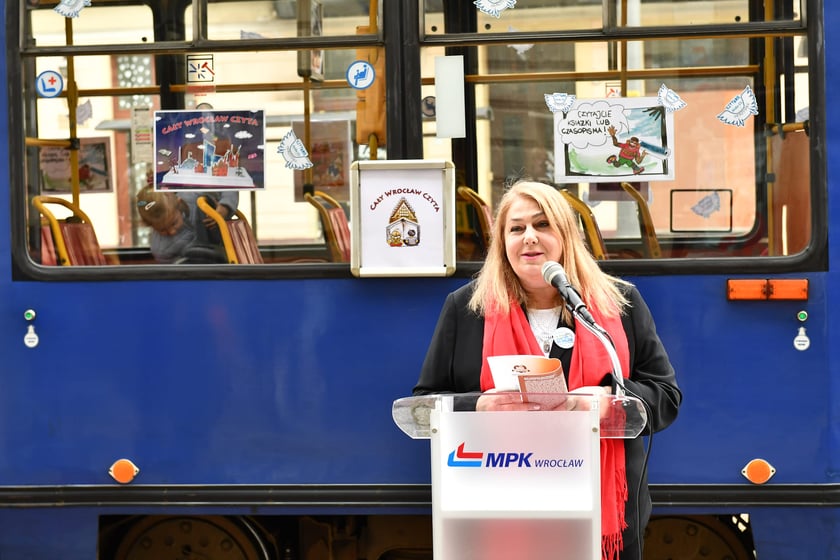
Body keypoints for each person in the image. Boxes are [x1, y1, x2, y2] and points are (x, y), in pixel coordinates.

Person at [413, 180, 682, 560]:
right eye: (516, 228)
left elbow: (666, 398)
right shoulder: (467, 308)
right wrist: (478, 406)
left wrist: (608, 401)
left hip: (600, 510)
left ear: (566, 234)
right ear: (502, 242)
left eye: (542, 224)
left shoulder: (620, 304)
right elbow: (424, 404)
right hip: (496, 506)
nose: (529, 237)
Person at [135, 187, 237, 263]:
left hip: (226, 251)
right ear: (152, 227)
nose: (171, 231)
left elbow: (228, 185)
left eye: (174, 223)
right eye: (162, 230)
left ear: (179, 204)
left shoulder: (194, 195)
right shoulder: (161, 249)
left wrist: (225, 206)